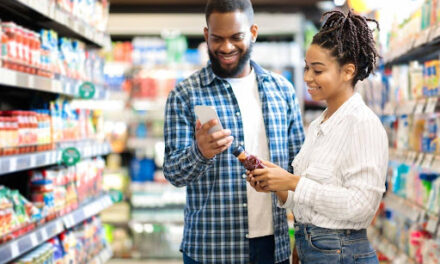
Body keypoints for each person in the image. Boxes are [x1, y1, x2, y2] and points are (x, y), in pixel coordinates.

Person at [163, 0, 305, 263]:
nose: (226, 47)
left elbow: (300, 171)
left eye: (236, 37)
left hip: (273, 248)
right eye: (217, 38)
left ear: (252, 32)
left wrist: (305, 239)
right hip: (210, 249)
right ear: (206, 36)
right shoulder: (184, 95)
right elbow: (173, 173)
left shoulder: (282, 91)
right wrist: (200, 152)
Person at [247, 9, 388, 264]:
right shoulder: (319, 124)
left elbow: (362, 205)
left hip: (343, 252)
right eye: (306, 68)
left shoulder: (363, 124)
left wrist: (292, 182)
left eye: (318, 70)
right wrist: (276, 184)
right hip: (314, 248)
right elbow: (310, 200)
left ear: (348, 71)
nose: (307, 78)